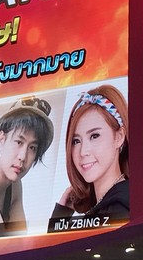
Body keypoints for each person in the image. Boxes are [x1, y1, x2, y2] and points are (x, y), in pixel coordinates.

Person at [0, 96, 54, 231]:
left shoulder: (14, 185)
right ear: (1, 139)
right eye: (19, 142)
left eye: (32, 148)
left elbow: (20, 238)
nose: (23, 157)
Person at [51, 84, 129, 220]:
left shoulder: (119, 208)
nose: (83, 152)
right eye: (76, 141)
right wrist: (61, 215)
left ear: (119, 137)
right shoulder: (108, 206)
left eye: (94, 136)